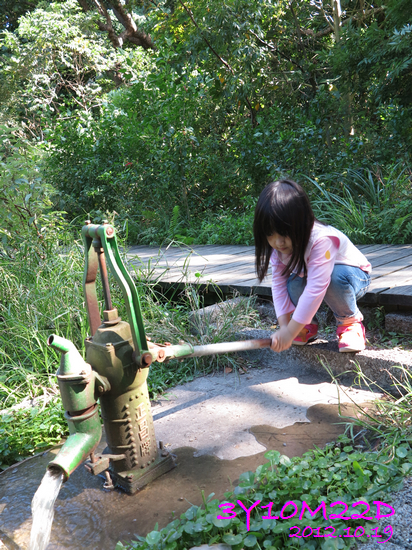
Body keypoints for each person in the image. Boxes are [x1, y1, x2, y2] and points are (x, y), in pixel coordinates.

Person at [253, 179, 372, 353]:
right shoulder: (277, 249)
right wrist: (285, 327)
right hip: (319, 278)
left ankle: (350, 323)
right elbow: (278, 285)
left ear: (301, 221)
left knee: (332, 277)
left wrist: (290, 331)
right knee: (292, 282)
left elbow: (316, 287)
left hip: (354, 276)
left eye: (285, 232)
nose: (278, 242)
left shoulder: (321, 239)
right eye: (270, 234)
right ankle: (307, 326)